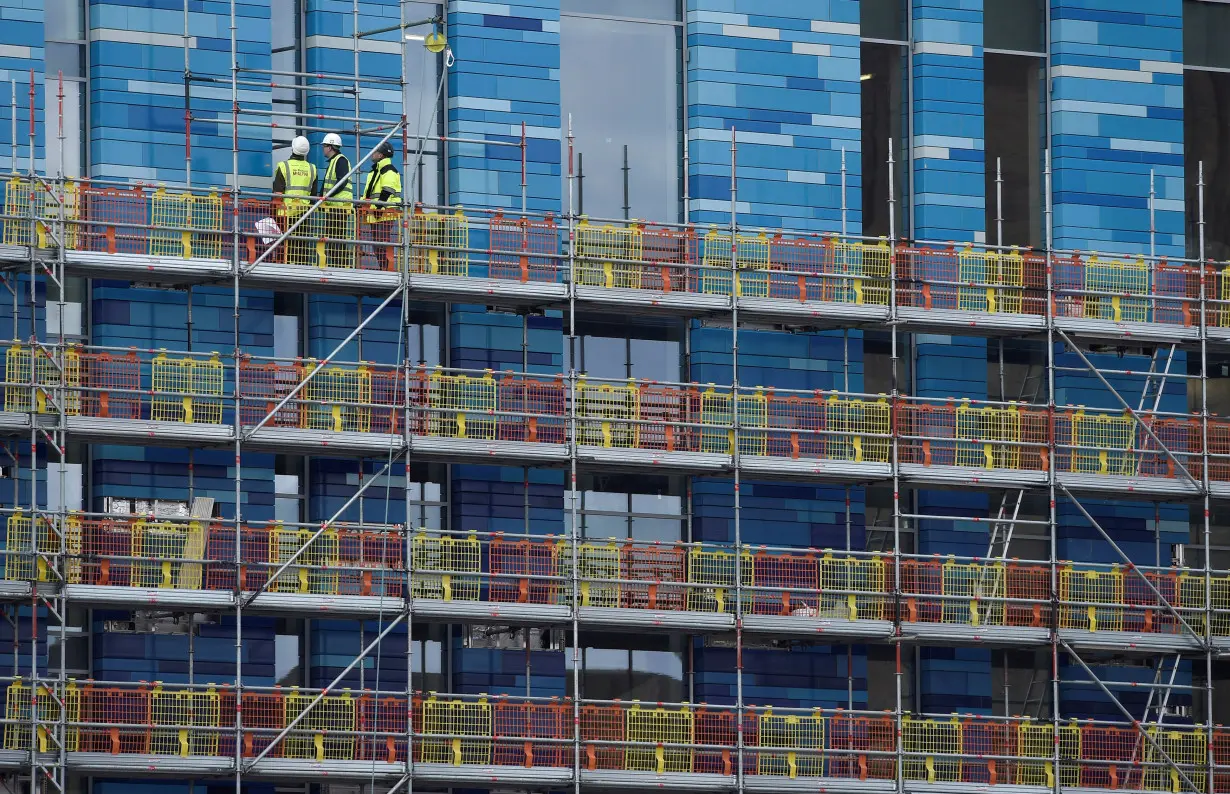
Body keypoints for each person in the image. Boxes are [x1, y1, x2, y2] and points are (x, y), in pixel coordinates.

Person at [272, 135, 318, 265]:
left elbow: (278, 194)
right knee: (300, 245)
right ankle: (300, 267)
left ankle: (283, 265)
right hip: (304, 214)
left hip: (284, 213)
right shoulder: (312, 169)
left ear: (292, 148)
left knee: (284, 245)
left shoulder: (284, 166)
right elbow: (313, 196)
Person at [363, 141, 402, 269]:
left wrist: (378, 208)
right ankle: (384, 268)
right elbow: (370, 193)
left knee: (381, 244)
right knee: (377, 245)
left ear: (381, 155)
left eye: (374, 151)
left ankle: (386, 269)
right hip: (377, 214)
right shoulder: (376, 171)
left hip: (384, 214)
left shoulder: (388, 170)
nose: (371, 154)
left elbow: (387, 190)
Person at [320, 132, 355, 267]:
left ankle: (340, 265)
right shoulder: (335, 161)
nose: (323, 148)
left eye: (325, 146)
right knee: (333, 238)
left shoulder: (341, 160)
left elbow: (342, 182)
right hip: (334, 207)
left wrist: (326, 196)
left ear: (330, 147)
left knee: (336, 238)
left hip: (339, 207)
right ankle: (337, 264)